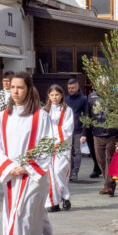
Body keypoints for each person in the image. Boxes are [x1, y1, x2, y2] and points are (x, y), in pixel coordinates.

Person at [0, 72, 56, 235]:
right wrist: (10, 167)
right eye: (12, 88)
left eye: (20, 87)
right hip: (11, 176)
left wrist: (27, 167)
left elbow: (47, 146)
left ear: (29, 89)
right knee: (25, 219)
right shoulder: (2, 117)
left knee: (19, 218)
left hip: (33, 176)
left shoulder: (40, 116)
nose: (16, 92)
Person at [44, 84, 74, 212]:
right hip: (48, 146)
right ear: (48, 96)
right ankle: (54, 202)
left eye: (57, 94)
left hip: (62, 145)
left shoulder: (67, 110)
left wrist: (54, 134)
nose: (55, 97)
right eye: (52, 95)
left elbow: (68, 128)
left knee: (59, 171)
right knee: (50, 174)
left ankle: (65, 196)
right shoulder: (44, 110)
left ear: (61, 95)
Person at [86, 89, 118, 196]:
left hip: (112, 132)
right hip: (97, 132)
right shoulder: (91, 97)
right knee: (100, 160)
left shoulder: (115, 95)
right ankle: (108, 182)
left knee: (110, 159)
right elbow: (88, 114)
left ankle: (109, 185)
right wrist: (85, 131)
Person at [64, 78, 88, 182]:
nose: (70, 90)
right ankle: (69, 171)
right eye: (69, 88)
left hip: (78, 129)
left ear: (77, 87)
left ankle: (75, 172)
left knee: (77, 152)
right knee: (69, 152)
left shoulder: (83, 99)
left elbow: (86, 115)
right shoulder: (66, 99)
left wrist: (84, 132)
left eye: (73, 88)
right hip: (67, 130)